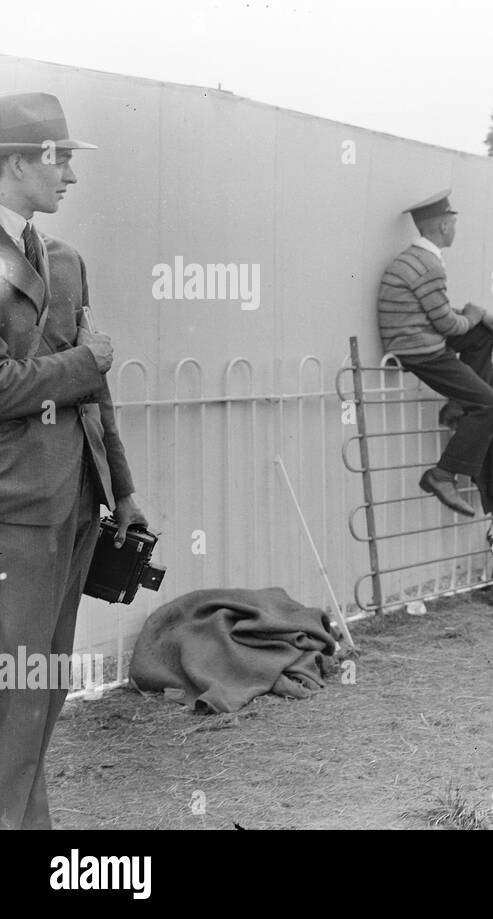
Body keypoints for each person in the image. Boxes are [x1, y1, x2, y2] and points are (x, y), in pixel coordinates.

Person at [0, 92, 150, 829]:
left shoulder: (64, 259)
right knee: (16, 688)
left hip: (77, 505)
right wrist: (87, 364)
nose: (71, 176)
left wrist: (121, 488)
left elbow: (97, 388)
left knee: (48, 682)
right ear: (16, 161)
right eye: (59, 159)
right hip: (14, 513)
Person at [377, 189, 493, 516]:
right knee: (489, 403)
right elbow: (449, 326)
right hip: (417, 349)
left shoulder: (418, 258)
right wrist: (474, 313)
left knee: (481, 334)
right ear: (443, 227)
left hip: (413, 337)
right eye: (452, 222)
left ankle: (456, 408)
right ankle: (442, 475)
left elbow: (434, 312)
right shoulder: (429, 265)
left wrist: (477, 317)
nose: (455, 229)